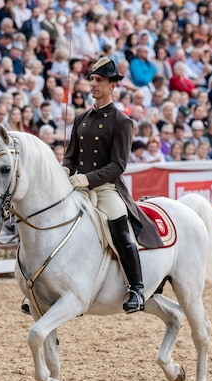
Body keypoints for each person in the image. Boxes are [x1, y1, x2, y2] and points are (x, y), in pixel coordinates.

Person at [62, 57, 162, 314]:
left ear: (112, 86)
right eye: (92, 80)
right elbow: (71, 157)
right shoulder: (80, 119)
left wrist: (88, 178)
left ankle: (137, 288)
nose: (93, 84)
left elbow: (118, 165)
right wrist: (64, 170)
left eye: (99, 80)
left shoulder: (122, 122)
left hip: (105, 188)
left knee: (118, 225)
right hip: (77, 186)